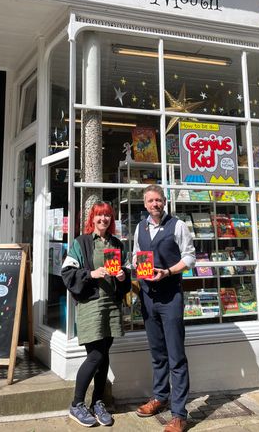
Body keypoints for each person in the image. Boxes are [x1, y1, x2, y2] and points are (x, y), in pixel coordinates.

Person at [62, 201, 131, 428]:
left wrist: (122, 277)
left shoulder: (117, 244)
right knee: (95, 356)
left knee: (105, 355)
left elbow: (127, 275)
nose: (103, 220)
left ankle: (98, 402)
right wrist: (91, 273)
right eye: (99, 216)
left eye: (108, 216)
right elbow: (67, 273)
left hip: (111, 305)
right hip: (91, 306)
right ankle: (77, 404)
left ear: (111, 220)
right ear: (92, 219)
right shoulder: (81, 243)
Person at [133, 185, 196, 432]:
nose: (154, 204)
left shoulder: (177, 226)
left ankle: (179, 414)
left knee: (176, 356)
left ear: (164, 201)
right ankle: (160, 397)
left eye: (158, 200)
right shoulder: (140, 227)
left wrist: (168, 271)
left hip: (171, 297)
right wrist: (135, 267)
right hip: (148, 297)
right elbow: (137, 255)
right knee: (157, 353)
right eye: (150, 201)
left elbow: (190, 258)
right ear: (145, 203)